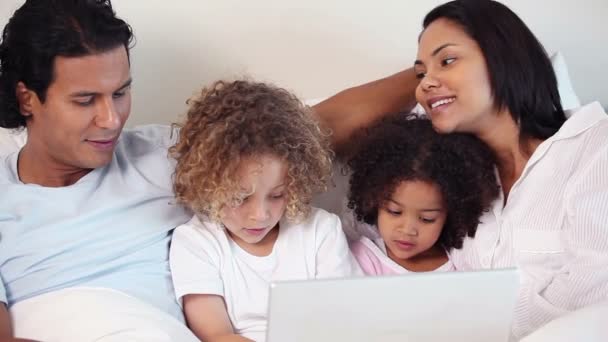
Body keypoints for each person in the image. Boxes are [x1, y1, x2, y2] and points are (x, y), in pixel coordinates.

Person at [313, 0, 608, 339]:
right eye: (421, 73)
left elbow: (595, 290)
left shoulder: (595, 148)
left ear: (503, 58)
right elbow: (315, 128)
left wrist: (472, 315)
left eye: (448, 60)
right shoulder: (452, 173)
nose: (424, 84)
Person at [0, 1, 197, 340]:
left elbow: (298, 133)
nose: (112, 119)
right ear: (27, 99)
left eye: (120, 93)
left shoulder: (165, 154)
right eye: (85, 100)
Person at [168, 80, 361, 342]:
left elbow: (343, 319)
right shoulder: (196, 242)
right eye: (239, 198)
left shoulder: (321, 230)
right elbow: (216, 334)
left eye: (277, 195)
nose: (260, 214)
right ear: (207, 185)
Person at [347, 114, 498, 275]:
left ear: (452, 215)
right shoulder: (363, 257)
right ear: (373, 201)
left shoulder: (458, 265)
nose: (407, 230)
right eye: (394, 211)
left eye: (427, 219)